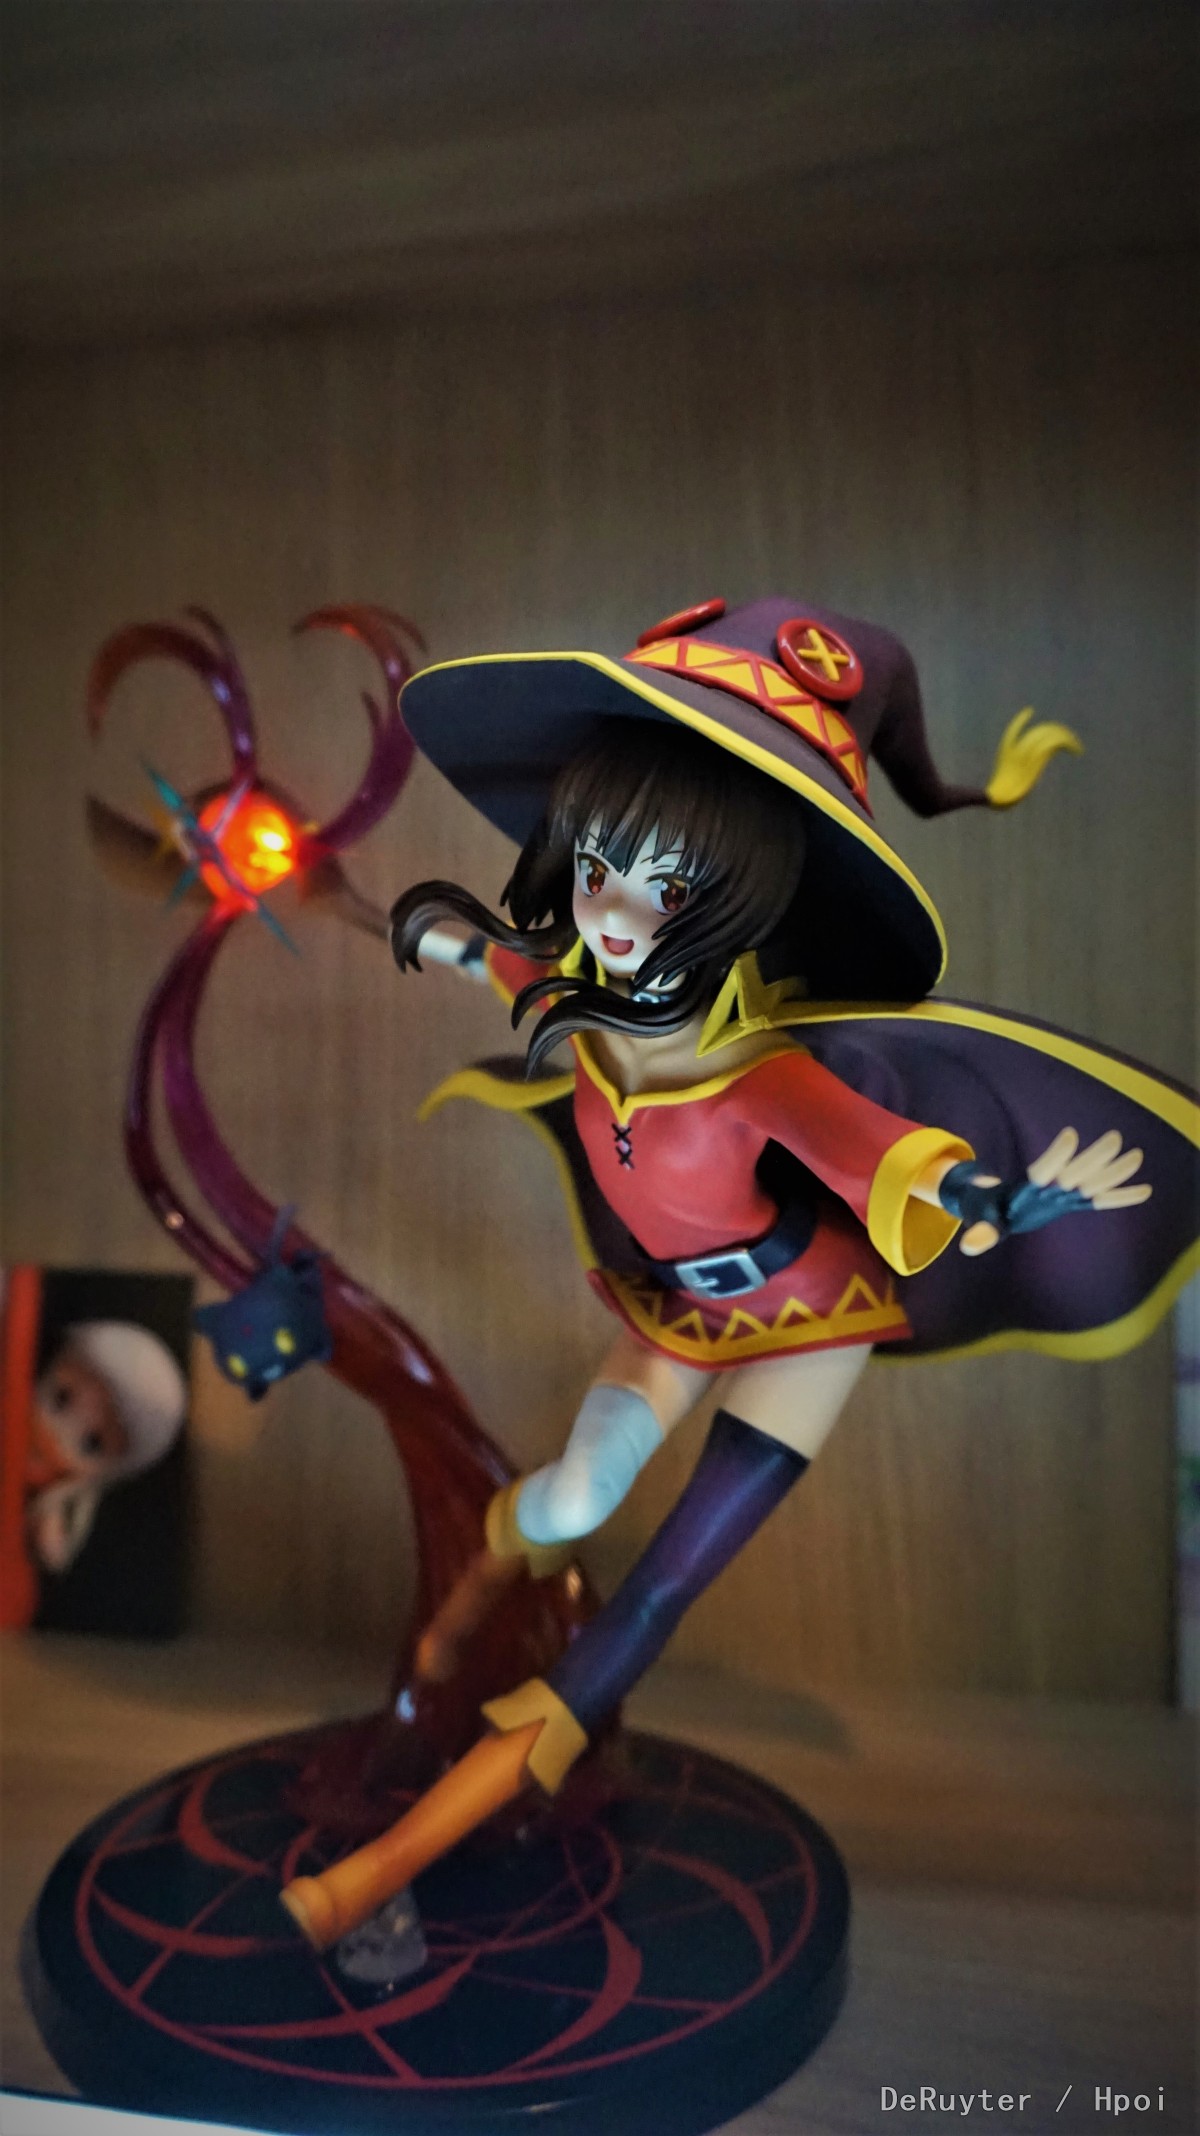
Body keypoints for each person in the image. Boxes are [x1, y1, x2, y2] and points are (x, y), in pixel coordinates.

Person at [281, 596, 1198, 1950]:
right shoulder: (570, 989)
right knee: (573, 1496)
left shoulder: (765, 1073)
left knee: (662, 1584)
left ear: (741, 898)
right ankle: (455, 1626)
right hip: (676, 1311)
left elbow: (879, 1148)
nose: (618, 913)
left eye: (669, 886)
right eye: (603, 867)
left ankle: (386, 1869)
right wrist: (352, 906)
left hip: (807, 1323)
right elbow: (472, 948)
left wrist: (989, 1195)